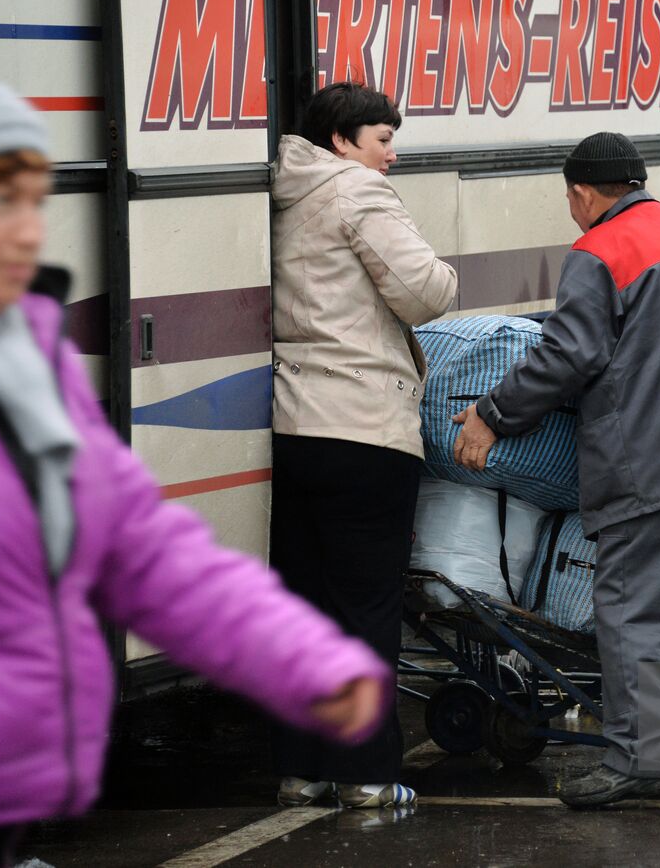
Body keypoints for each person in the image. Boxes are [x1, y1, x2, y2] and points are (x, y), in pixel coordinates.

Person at [0, 66, 392, 865]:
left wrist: (305, 665)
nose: (28, 230)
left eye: (33, 200)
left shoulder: (25, 363)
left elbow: (146, 552)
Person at [451, 133, 660, 808]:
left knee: (637, 613)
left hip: (656, 462)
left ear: (583, 194)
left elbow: (567, 355)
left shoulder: (599, 250)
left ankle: (642, 760)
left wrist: (492, 412)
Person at [268, 82, 457, 808]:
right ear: (345, 141)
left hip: (294, 426)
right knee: (367, 607)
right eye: (384, 138)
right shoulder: (359, 193)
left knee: (304, 606)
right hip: (364, 429)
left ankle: (301, 767)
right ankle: (368, 775)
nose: (392, 153)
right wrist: (445, 272)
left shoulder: (285, 192)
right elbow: (427, 292)